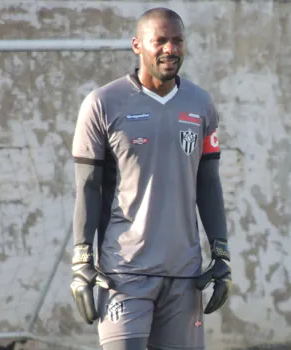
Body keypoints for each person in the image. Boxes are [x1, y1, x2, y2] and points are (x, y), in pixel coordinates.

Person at [70, 7, 232, 350]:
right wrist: (81, 259)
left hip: (184, 274)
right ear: (137, 45)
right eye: (159, 41)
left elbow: (208, 184)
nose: (169, 49)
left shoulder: (201, 104)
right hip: (123, 273)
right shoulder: (103, 103)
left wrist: (221, 254)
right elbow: (88, 187)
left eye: (177, 41)